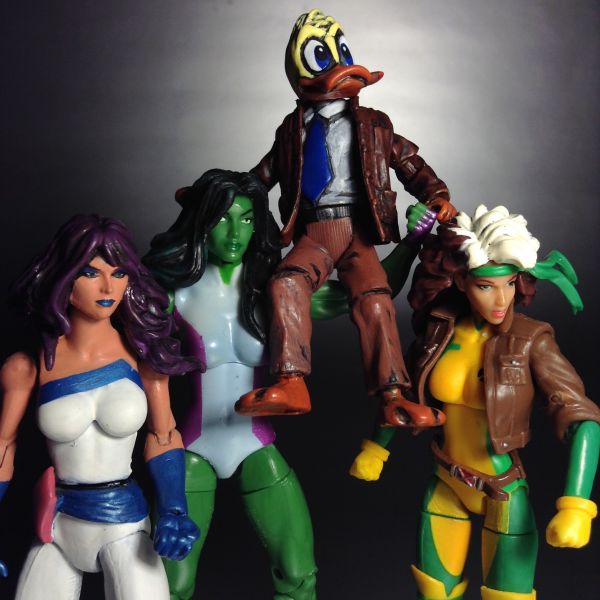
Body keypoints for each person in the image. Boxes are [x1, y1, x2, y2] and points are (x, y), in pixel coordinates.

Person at [350, 205, 600, 599]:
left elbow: (582, 418)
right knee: (434, 593)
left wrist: (577, 506)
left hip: (503, 490)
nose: (501, 299)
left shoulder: (531, 340)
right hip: (445, 481)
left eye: (510, 284)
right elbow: (405, 391)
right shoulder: (440, 328)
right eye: (486, 286)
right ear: (462, 280)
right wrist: (376, 448)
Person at [236, 8, 456, 428]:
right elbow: (260, 177)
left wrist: (436, 194)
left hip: (358, 230)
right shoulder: (290, 131)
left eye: (342, 54)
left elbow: (409, 162)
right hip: (314, 233)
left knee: (375, 300)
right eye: (322, 56)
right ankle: (291, 382)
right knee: (286, 283)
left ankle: (394, 397)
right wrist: (219, 195)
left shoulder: (374, 125)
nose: (339, 67)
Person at [0, 215, 200, 599]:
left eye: (119, 273)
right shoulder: (28, 367)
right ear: (64, 277)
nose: (108, 287)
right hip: (57, 525)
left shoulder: (144, 358)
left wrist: (174, 508)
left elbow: (164, 436)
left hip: (125, 525)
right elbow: (3, 447)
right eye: (91, 273)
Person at [143, 169, 317, 600]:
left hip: (255, 443)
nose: (235, 233)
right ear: (202, 222)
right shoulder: (174, 292)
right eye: (222, 219)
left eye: (246, 219)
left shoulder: (278, 289)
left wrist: (408, 244)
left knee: (298, 574)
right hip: (193, 446)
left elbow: (364, 294)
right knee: (171, 585)